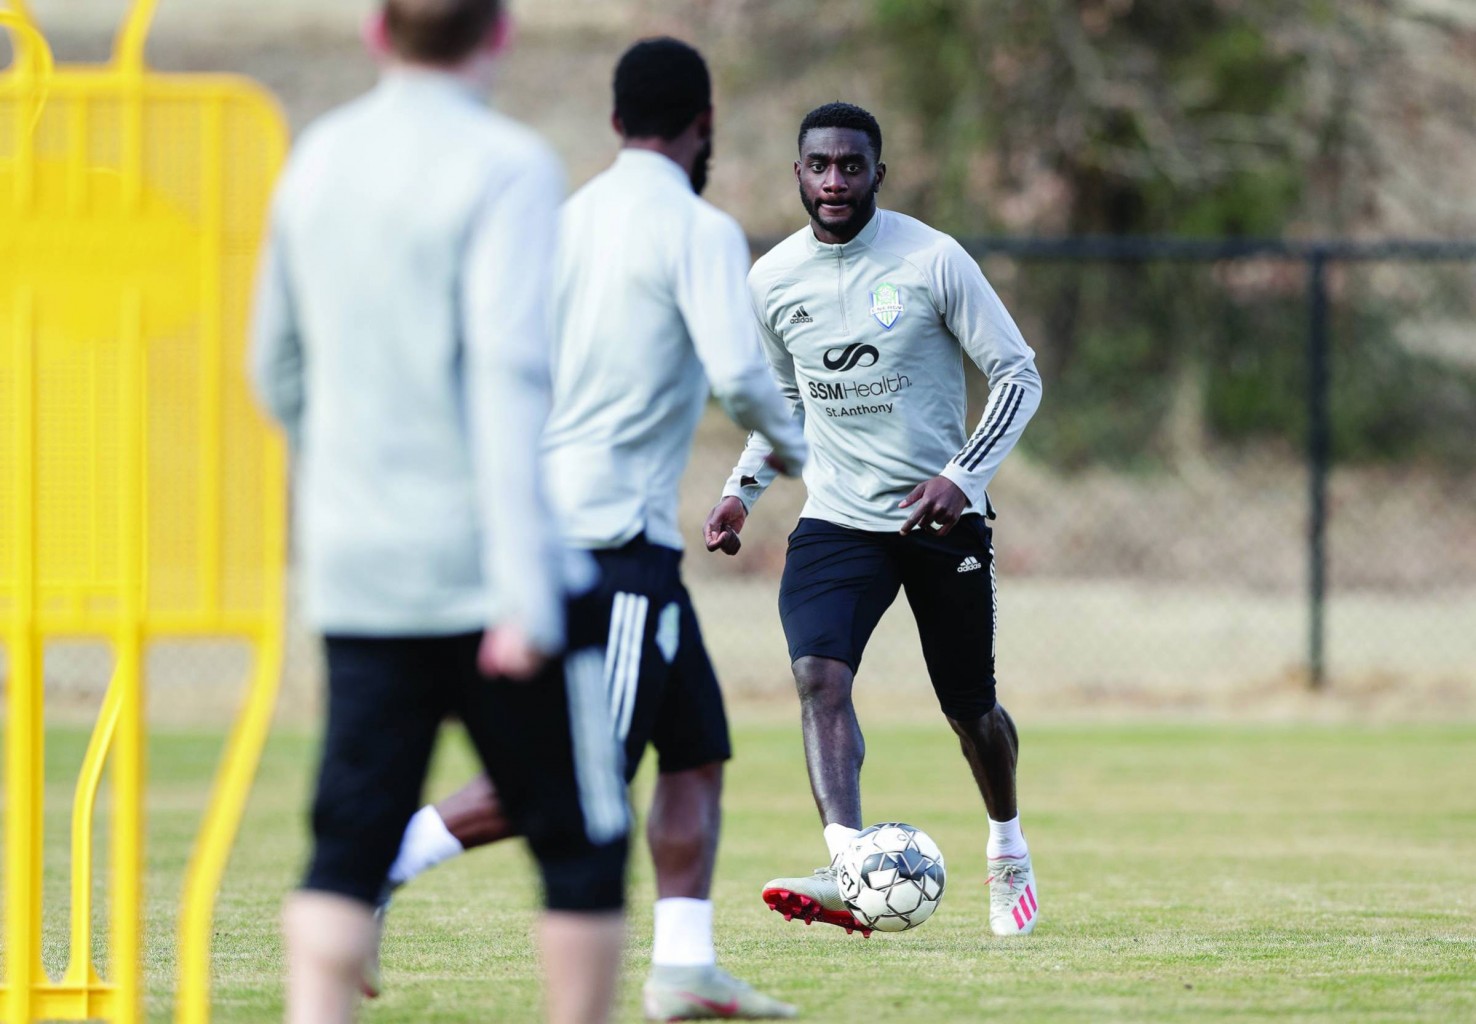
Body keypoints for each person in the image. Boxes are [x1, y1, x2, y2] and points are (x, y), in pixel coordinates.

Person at [379, 38, 808, 1020]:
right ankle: (382, 861)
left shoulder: (563, 221)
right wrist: (803, 456)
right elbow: (743, 376)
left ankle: (685, 967)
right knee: (582, 775)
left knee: (696, 750)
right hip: (606, 546)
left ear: (616, 123)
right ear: (704, 124)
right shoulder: (697, 229)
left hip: (600, 537)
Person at [250, 3, 630, 1022]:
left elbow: (273, 370)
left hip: (360, 575)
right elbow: (507, 380)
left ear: (378, 32)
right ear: (499, 33)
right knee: (582, 841)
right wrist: (524, 593)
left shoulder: (316, 160)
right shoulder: (505, 166)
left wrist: (362, 482)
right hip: (493, 579)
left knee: (346, 843)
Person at [701, 102, 1045, 939]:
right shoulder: (773, 281)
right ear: (798, 173)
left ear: (877, 174)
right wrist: (743, 489)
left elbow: (1018, 375)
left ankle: (1007, 848)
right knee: (820, 678)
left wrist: (962, 477)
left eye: (851, 166)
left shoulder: (932, 259)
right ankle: (851, 863)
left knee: (972, 712)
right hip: (838, 518)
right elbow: (785, 399)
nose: (834, 182)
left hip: (939, 522)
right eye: (819, 166)